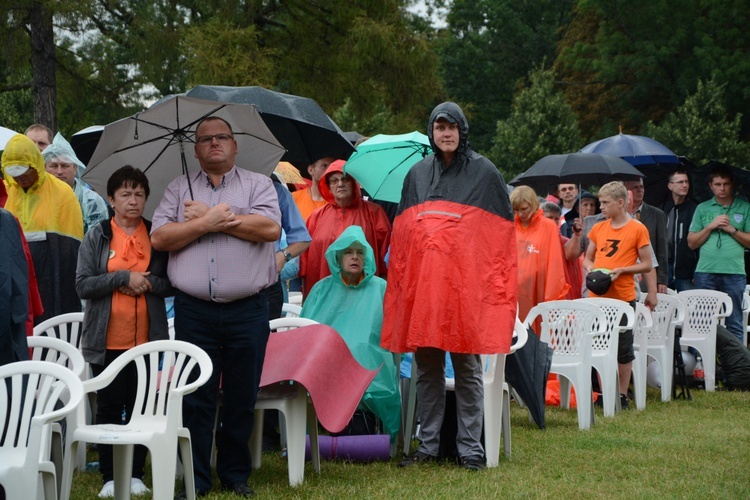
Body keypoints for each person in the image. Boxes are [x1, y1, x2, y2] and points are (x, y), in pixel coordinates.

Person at [381, 102, 517, 471]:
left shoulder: (485, 172)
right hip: (426, 288)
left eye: (452, 127)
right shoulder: (417, 174)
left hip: (465, 289)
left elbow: (499, 235)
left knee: (468, 367)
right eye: (439, 127)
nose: (446, 134)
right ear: (431, 131)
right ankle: (428, 445)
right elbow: (405, 234)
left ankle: (470, 448)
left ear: (462, 131)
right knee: (426, 367)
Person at [151, 116, 280, 498]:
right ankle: (196, 477)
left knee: (242, 395)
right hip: (194, 311)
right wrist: (207, 222)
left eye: (221, 136)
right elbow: (160, 238)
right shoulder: (179, 189)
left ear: (234, 145)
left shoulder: (259, 184)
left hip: (249, 309)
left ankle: (235, 473)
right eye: (205, 139)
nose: (214, 144)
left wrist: (214, 221)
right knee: (197, 395)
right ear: (195, 149)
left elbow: (269, 230)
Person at [75, 166, 171, 498]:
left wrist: (144, 283)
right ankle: (109, 476)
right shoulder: (97, 234)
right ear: (111, 199)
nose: (133, 200)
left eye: (139, 194)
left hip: (147, 339)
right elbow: (83, 284)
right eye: (125, 194)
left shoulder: (156, 235)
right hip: (106, 339)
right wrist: (121, 278)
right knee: (109, 406)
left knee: (141, 405)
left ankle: (136, 474)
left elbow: (169, 281)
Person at [301, 225, 400, 442]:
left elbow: (394, 332)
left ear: (368, 257)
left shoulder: (381, 288)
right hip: (326, 365)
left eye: (360, 252)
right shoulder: (321, 289)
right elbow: (305, 332)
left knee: (362, 349)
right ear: (337, 258)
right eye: (348, 252)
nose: (354, 257)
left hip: (370, 365)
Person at [583, 181, 655, 410]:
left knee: (623, 349)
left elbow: (646, 264)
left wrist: (623, 270)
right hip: (598, 296)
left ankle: (622, 394)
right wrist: (590, 270)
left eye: (605, 203)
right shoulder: (599, 228)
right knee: (600, 345)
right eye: (600, 202)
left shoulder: (637, 229)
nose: (600, 207)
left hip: (623, 297)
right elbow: (587, 258)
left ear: (621, 203)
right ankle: (605, 392)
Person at [2, 133, 83, 324]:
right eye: (14, 173)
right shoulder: (8, 193)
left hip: (51, 281)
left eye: (24, 171)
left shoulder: (62, 193)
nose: (20, 178)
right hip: (15, 281)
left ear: (35, 165)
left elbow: (70, 253)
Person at [299, 159, 391, 297]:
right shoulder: (316, 217)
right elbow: (305, 262)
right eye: (334, 181)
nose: (340, 184)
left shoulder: (374, 213)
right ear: (328, 187)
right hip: (325, 292)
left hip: (364, 293)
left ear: (354, 184)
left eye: (345, 179)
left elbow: (386, 256)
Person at [687, 164, 750, 343]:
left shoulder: (745, 207)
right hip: (705, 271)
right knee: (703, 321)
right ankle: (704, 366)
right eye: (717, 184)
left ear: (732, 185)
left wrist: (732, 230)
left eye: (726, 184)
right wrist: (710, 226)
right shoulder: (702, 208)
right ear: (710, 186)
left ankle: (734, 369)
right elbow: (692, 243)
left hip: (735, 272)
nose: (722, 188)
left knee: (734, 321)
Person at [511, 186, 569, 320]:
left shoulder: (548, 226)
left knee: (537, 331)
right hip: (515, 293)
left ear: (533, 204)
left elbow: (555, 263)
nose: (520, 214)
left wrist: (552, 299)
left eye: (524, 209)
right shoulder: (511, 225)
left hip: (539, 289)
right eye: (516, 210)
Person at [43, 132, 110, 234]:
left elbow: (97, 242)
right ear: (45, 168)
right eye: (54, 166)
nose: (59, 171)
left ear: (75, 168)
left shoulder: (92, 201)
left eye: (65, 166)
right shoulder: (37, 197)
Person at [623, 178, 668, 293]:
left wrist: (662, 280)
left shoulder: (657, 214)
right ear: (626, 191)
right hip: (626, 272)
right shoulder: (618, 215)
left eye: (641, 187)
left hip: (648, 272)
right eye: (635, 187)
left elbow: (662, 249)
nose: (639, 190)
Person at [662, 171, 698, 291]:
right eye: (680, 182)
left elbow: (700, 243)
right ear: (670, 186)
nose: (684, 185)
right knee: (663, 307)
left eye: (686, 182)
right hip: (665, 270)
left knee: (688, 307)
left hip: (687, 271)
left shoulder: (694, 209)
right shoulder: (663, 209)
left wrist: (696, 270)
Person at [542, 201, 582, 299]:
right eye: (549, 217)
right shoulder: (533, 240)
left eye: (556, 219)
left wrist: (576, 235)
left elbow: (571, 255)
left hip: (563, 290)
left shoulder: (564, 241)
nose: (553, 221)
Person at [291, 156, 335, 221]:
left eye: (332, 166)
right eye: (324, 166)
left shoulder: (337, 201)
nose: (329, 170)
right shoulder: (293, 198)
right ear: (311, 170)